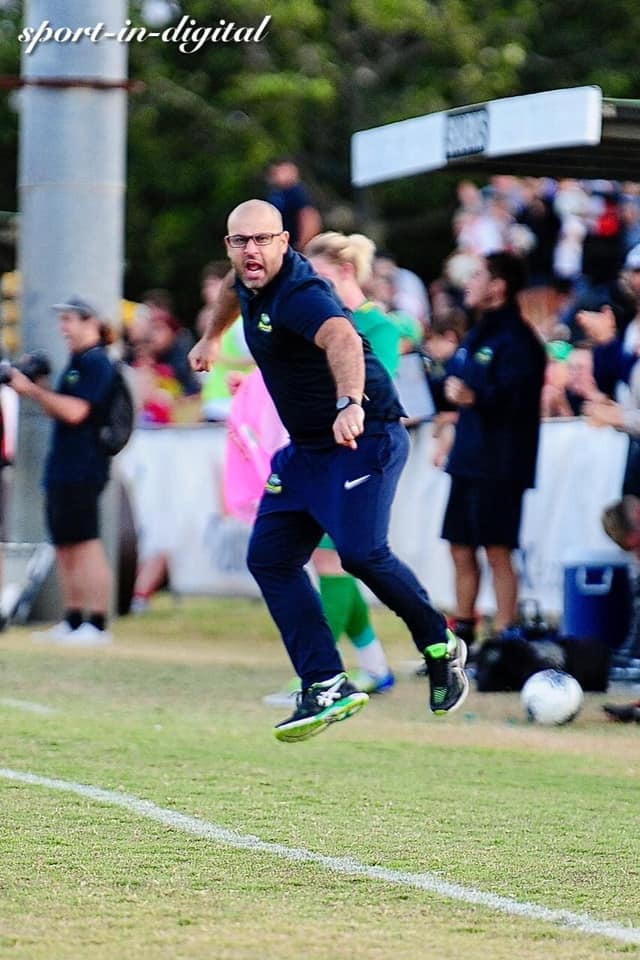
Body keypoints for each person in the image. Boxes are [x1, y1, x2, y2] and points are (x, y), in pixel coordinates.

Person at [189, 199, 468, 742]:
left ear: (285, 241)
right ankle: (324, 682)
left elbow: (341, 338)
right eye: (240, 241)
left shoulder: (300, 292)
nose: (251, 251)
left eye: (263, 240)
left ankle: (440, 643)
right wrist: (211, 337)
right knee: (270, 557)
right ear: (229, 245)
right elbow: (230, 287)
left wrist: (350, 403)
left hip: (365, 436)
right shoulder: (247, 278)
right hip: (308, 451)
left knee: (361, 553)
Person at [441, 252, 546, 649]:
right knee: (460, 547)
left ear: (498, 286)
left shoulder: (518, 340)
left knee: (498, 550)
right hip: (467, 459)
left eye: (478, 276)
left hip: (501, 463)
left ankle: (505, 640)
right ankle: (462, 634)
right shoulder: (476, 333)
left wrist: (475, 395)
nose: (469, 283)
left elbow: (518, 401)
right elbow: (455, 385)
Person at [7, 297, 116, 646]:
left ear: (90, 323)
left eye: (68, 320)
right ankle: (72, 619)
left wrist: (32, 391)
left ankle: (97, 623)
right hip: (64, 465)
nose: (63, 328)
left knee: (86, 542)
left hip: (85, 465)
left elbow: (76, 412)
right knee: (66, 543)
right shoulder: (77, 362)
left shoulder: (97, 363)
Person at [265, 158, 322, 251]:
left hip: (292, 247)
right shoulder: (278, 192)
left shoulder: (296, 192)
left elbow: (309, 218)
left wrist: (301, 246)